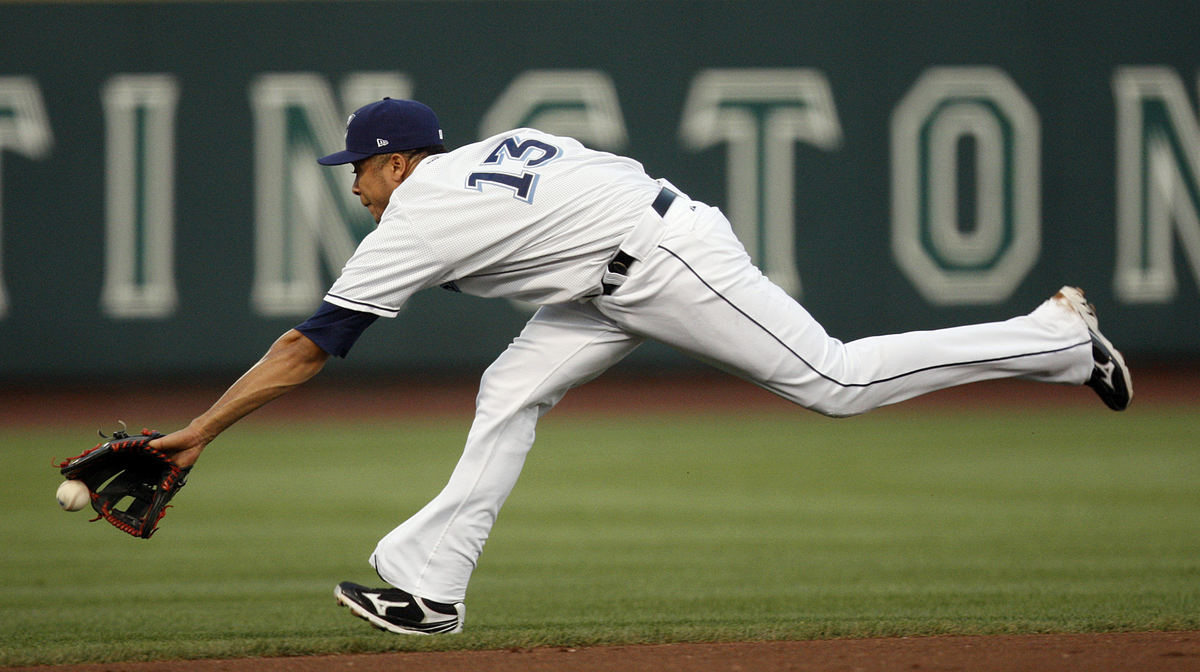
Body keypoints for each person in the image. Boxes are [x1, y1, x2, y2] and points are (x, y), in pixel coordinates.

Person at [150, 97, 1132, 635]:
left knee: (835, 382)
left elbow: (310, 346)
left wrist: (196, 433)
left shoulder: (417, 210)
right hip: (613, 267)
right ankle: (429, 586)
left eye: (359, 167)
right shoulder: (477, 159)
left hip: (668, 260)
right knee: (508, 387)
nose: (354, 185)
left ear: (398, 163)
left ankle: (1055, 338)